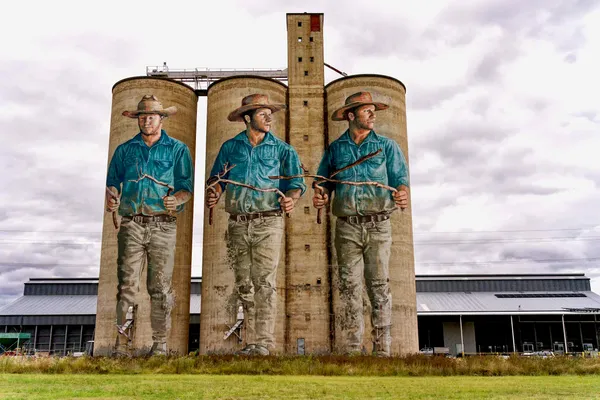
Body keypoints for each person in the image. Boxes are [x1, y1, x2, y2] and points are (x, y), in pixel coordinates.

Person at [206, 94, 305, 356]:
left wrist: (291, 200)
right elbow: (217, 180)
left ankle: (264, 343)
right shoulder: (230, 148)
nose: (269, 117)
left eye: (270, 113)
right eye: (263, 113)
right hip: (237, 223)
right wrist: (215, 191)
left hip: (268, 221)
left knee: (264, 282)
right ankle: (251, 341)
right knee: (243, 283)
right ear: (248, 118)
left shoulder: (284, 150)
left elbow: (296, 185)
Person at [313, 91, 409, 356]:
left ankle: (382, 349)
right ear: (350, 115)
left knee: (378, 286)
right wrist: (320, 194)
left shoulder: (387, 147)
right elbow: (322, 180)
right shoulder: (336, 149)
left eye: (373, 111)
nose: (372, 115)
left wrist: (401, 191)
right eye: (367, 111)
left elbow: (401, 178)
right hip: (346, 226)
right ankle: (353, 348)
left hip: (378, 225)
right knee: (349, 287)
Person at [105, 95, 194, 356]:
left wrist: (175, 200)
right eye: (142, 117)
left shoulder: (178, 150)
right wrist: (112, 196)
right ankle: (121, 344)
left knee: (160, 287)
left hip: (163, 225)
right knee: (126, 285)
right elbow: (112, 181)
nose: (146, 120)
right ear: (137, 119)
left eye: (151, 116)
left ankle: (160, 345)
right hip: (131, 224)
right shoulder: (124, 150)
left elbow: (186, 188)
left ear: (162, 119)